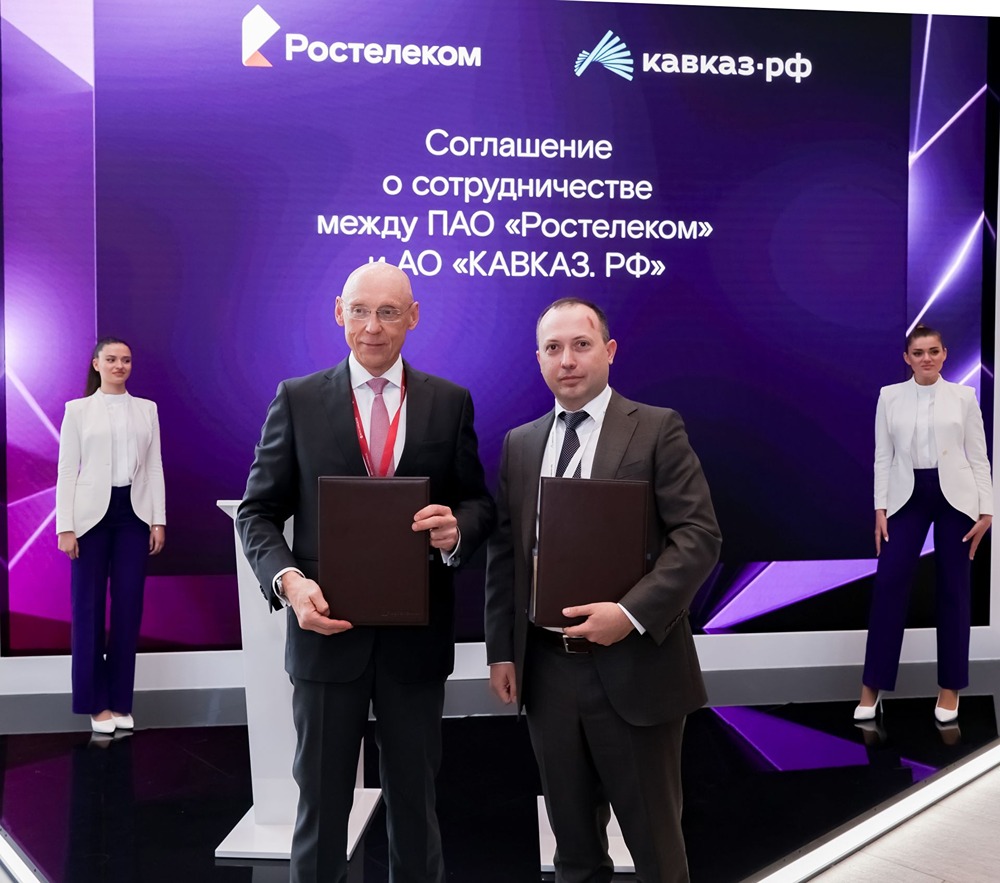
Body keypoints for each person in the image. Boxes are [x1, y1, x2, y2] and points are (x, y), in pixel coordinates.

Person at [236, 261, 495, 883]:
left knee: (416, 806)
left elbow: (478, 503)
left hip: (415, 642)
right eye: (359, 310)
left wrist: (459, 528)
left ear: (413, 316)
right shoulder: (298, 400)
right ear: (339, 312)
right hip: (326, 638)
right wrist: (289, 582)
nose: (372, 326)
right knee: (321, 808)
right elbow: (258, 512)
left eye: (387, 312)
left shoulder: (449, 402)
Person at [484, 298, 721, 883]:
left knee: (656, 849)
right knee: (573, 853)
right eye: (553, 348)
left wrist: (629, 613)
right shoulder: (520, 443)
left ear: (609, 352)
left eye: (581, 345)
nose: (567, 360)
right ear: (539, 358)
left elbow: (698, 537)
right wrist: (501, 650)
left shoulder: (657, 428)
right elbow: (506, 553)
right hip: (547, 673)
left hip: (636, 665)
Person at [855, 324, 993, 724]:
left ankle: (950, 688)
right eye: (918, 353)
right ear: (907, 358)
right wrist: (880, 508)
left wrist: (987, 511)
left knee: (954, 589)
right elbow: (883, 457)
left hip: (957, 499)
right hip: (906, 496)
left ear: (944, 354)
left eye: (933, 351)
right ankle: (872, 686)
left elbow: (978, 456)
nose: (927, 358)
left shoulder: (964, 397)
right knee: (889, 583)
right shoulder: (889, 396)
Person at [56, 337, 166, 734]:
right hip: (89, 519)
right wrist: (65, 526)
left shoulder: (147, 409)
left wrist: (158, 520)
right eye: (112, 359)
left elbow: (154, 467)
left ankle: (120, 700)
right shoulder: (77, 410)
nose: (120, 365)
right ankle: (95, 703)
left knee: (128, 608)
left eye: (126, 360)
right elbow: (67, 470)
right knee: (87, 609)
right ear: (96, 364)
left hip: (133, 515)